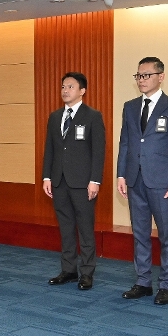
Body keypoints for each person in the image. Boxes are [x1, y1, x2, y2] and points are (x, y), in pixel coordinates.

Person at [116, 56, 168, 305]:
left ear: (161, 76)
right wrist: (121, 174)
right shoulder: (130, 107)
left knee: (167, 235)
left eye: (147, 75)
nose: (141, 80)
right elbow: (125, 143)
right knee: (140, 234)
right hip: (135, 180)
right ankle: (143, 282)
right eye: (138, 75)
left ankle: (166, 285)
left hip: (164, 183)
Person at [42, 72, 106, 289]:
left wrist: (95, 180)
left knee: (85, 229)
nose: (65, 90)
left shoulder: (92, 116)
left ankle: (86, 273)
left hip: (83, 183)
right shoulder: (55, 117)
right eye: (63, 86)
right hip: (59, 181)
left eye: (70, 86)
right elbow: (50, 149)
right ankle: (68, 270)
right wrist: (47, 176)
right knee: (66, 227)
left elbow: (98, 151)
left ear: (82, 91)